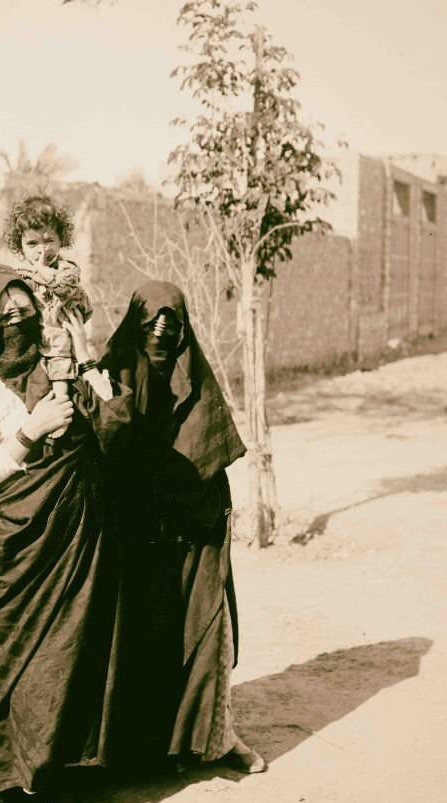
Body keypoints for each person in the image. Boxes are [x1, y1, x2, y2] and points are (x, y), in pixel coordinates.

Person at [0, 264, 131, 803]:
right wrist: (31, 429)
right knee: (0, 672)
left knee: (58, 661)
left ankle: (49, 774)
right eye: (6, 317)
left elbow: (98, 425)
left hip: (62, 548)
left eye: (25, 313)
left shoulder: (52, 369)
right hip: (5, 558)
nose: (17, 324)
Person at [99, 281, 266, 775]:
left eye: (172, 323)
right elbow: (106, 449)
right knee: (137, 635)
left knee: (205, 629)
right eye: (151, 322)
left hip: (195, 524)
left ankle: (215, 738)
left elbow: (210, 450)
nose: (162, 332)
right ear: (135, 324)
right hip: (136, 532)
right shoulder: (115, 373)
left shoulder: (197, 380)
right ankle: (138, 752)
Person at [2, 194, 93, 440]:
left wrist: (37, 270)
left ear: (61, 239)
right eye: (32, 244)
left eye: (49, 240)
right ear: (19, 246)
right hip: (33, 334)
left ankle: (62, 410)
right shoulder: (22, 272)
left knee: (59, 362)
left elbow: (64, 285)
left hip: (58, 329)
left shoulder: (66, 267)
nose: (42, 249)